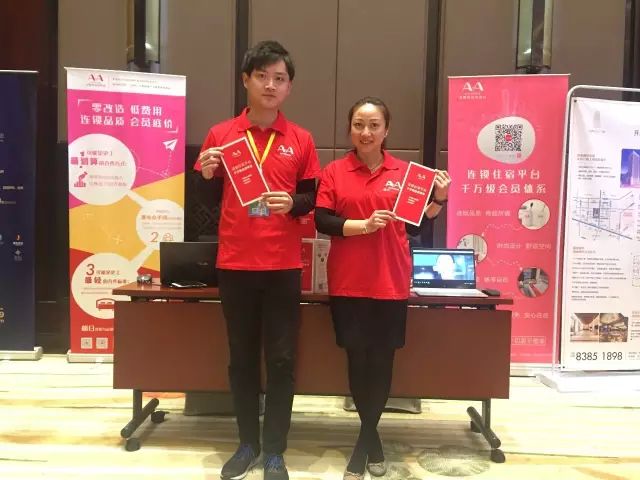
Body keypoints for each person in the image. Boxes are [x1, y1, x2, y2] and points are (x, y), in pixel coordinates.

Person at [195, 40, 321, 480]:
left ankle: (274, 452)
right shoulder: (220, 135)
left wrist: (293, 202)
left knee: (282, 360)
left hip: (283, 266)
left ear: (289, 87)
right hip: (235, 264)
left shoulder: (301, 139)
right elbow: (204, 202)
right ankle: (247, 443)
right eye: (262, 76)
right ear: (245, 80)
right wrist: (205, 174)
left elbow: (312, 199)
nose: (271, 85)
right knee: (242, 358)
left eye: (279, 78)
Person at [314, 97, 450, 480]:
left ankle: (364, 443)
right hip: (349, 282)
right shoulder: (335, 171)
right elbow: (322, 221)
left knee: (382, 362)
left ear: (386, 130)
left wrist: (438, 199)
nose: (366, 132)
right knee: (357, 361)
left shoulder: (406, 173)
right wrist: (363, 225)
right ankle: (370, 442)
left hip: (391, 281)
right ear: (350, 129)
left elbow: (416, 226)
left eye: (374, 125)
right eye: (359, 124)